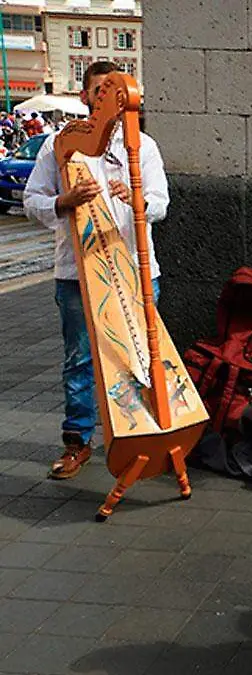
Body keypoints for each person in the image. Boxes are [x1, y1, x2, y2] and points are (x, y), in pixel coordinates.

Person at [23, 61, 170, 480]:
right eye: (99, 91)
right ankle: (77, 442)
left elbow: (161, 204)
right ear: (87, 97)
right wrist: (64, 201)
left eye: (114, 91)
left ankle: (136, 437)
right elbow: (33, 200)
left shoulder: (143, 146)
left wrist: (136, 198)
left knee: (138, 357)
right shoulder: (58, 145)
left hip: (137, 270)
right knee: (80, 359)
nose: (107, 97)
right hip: (75, 271)